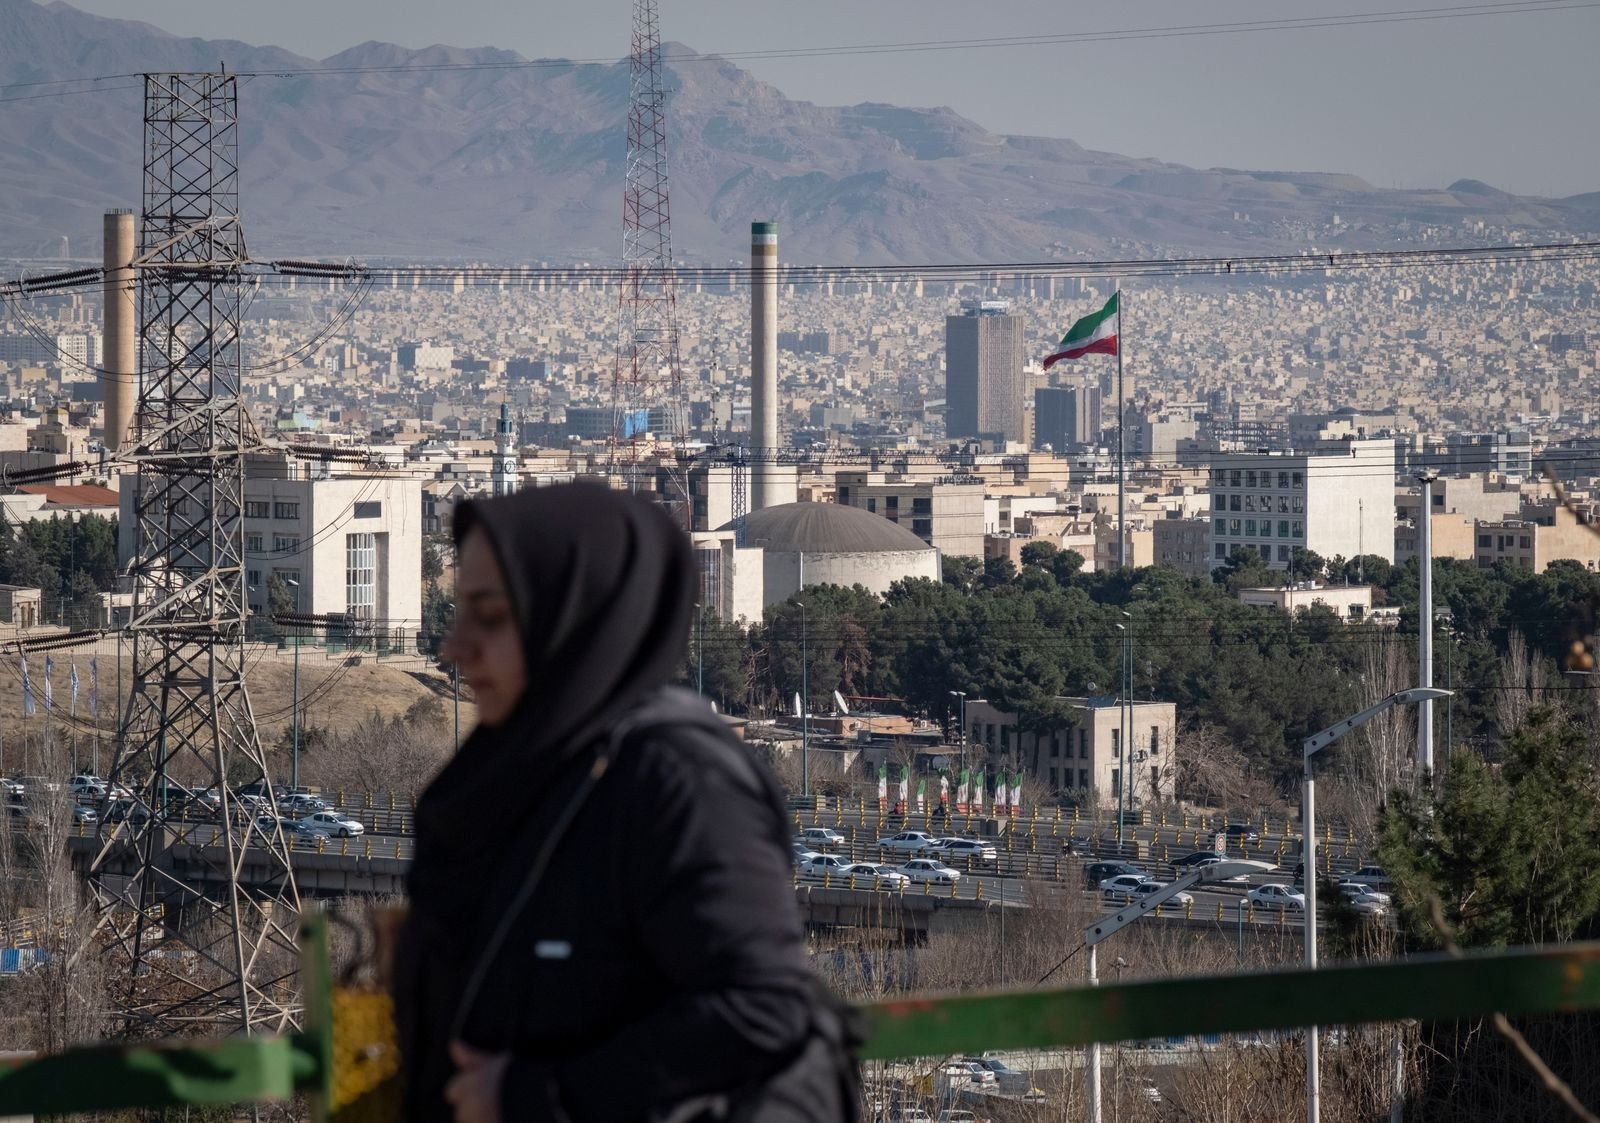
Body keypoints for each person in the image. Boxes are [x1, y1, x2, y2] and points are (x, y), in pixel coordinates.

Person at [394, 483, 854, 1123]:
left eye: (492, 616)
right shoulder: (517, 774)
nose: (455, 647)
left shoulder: (674, 782)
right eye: (459, 613)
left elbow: (758, 1007)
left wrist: (538, 1097)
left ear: (577, 619)